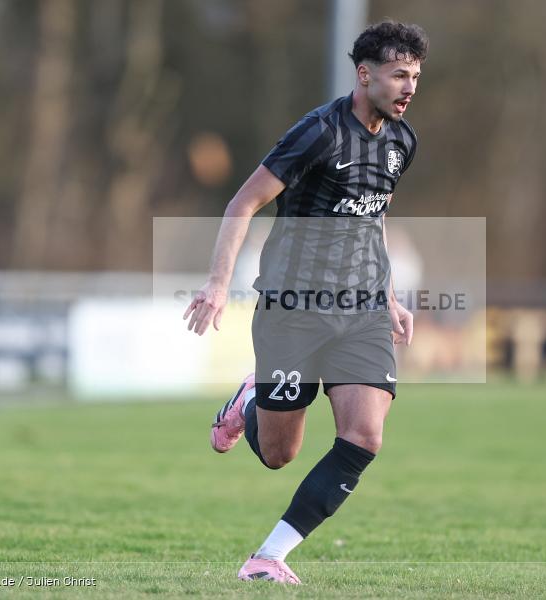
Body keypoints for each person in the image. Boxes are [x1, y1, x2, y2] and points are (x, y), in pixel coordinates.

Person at [183, 21, 428, 585]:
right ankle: (250, 400)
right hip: (293, 309)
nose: (409, 87)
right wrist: (217, 284)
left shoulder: (402, 142)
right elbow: (242, 203)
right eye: (399, 75)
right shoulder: (319, 133)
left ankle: (269, 556)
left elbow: (372, 216)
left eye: (415, 76)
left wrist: (389, 296)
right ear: (364, 74)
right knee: (279, 454)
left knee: (364, 436)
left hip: (362, 311)